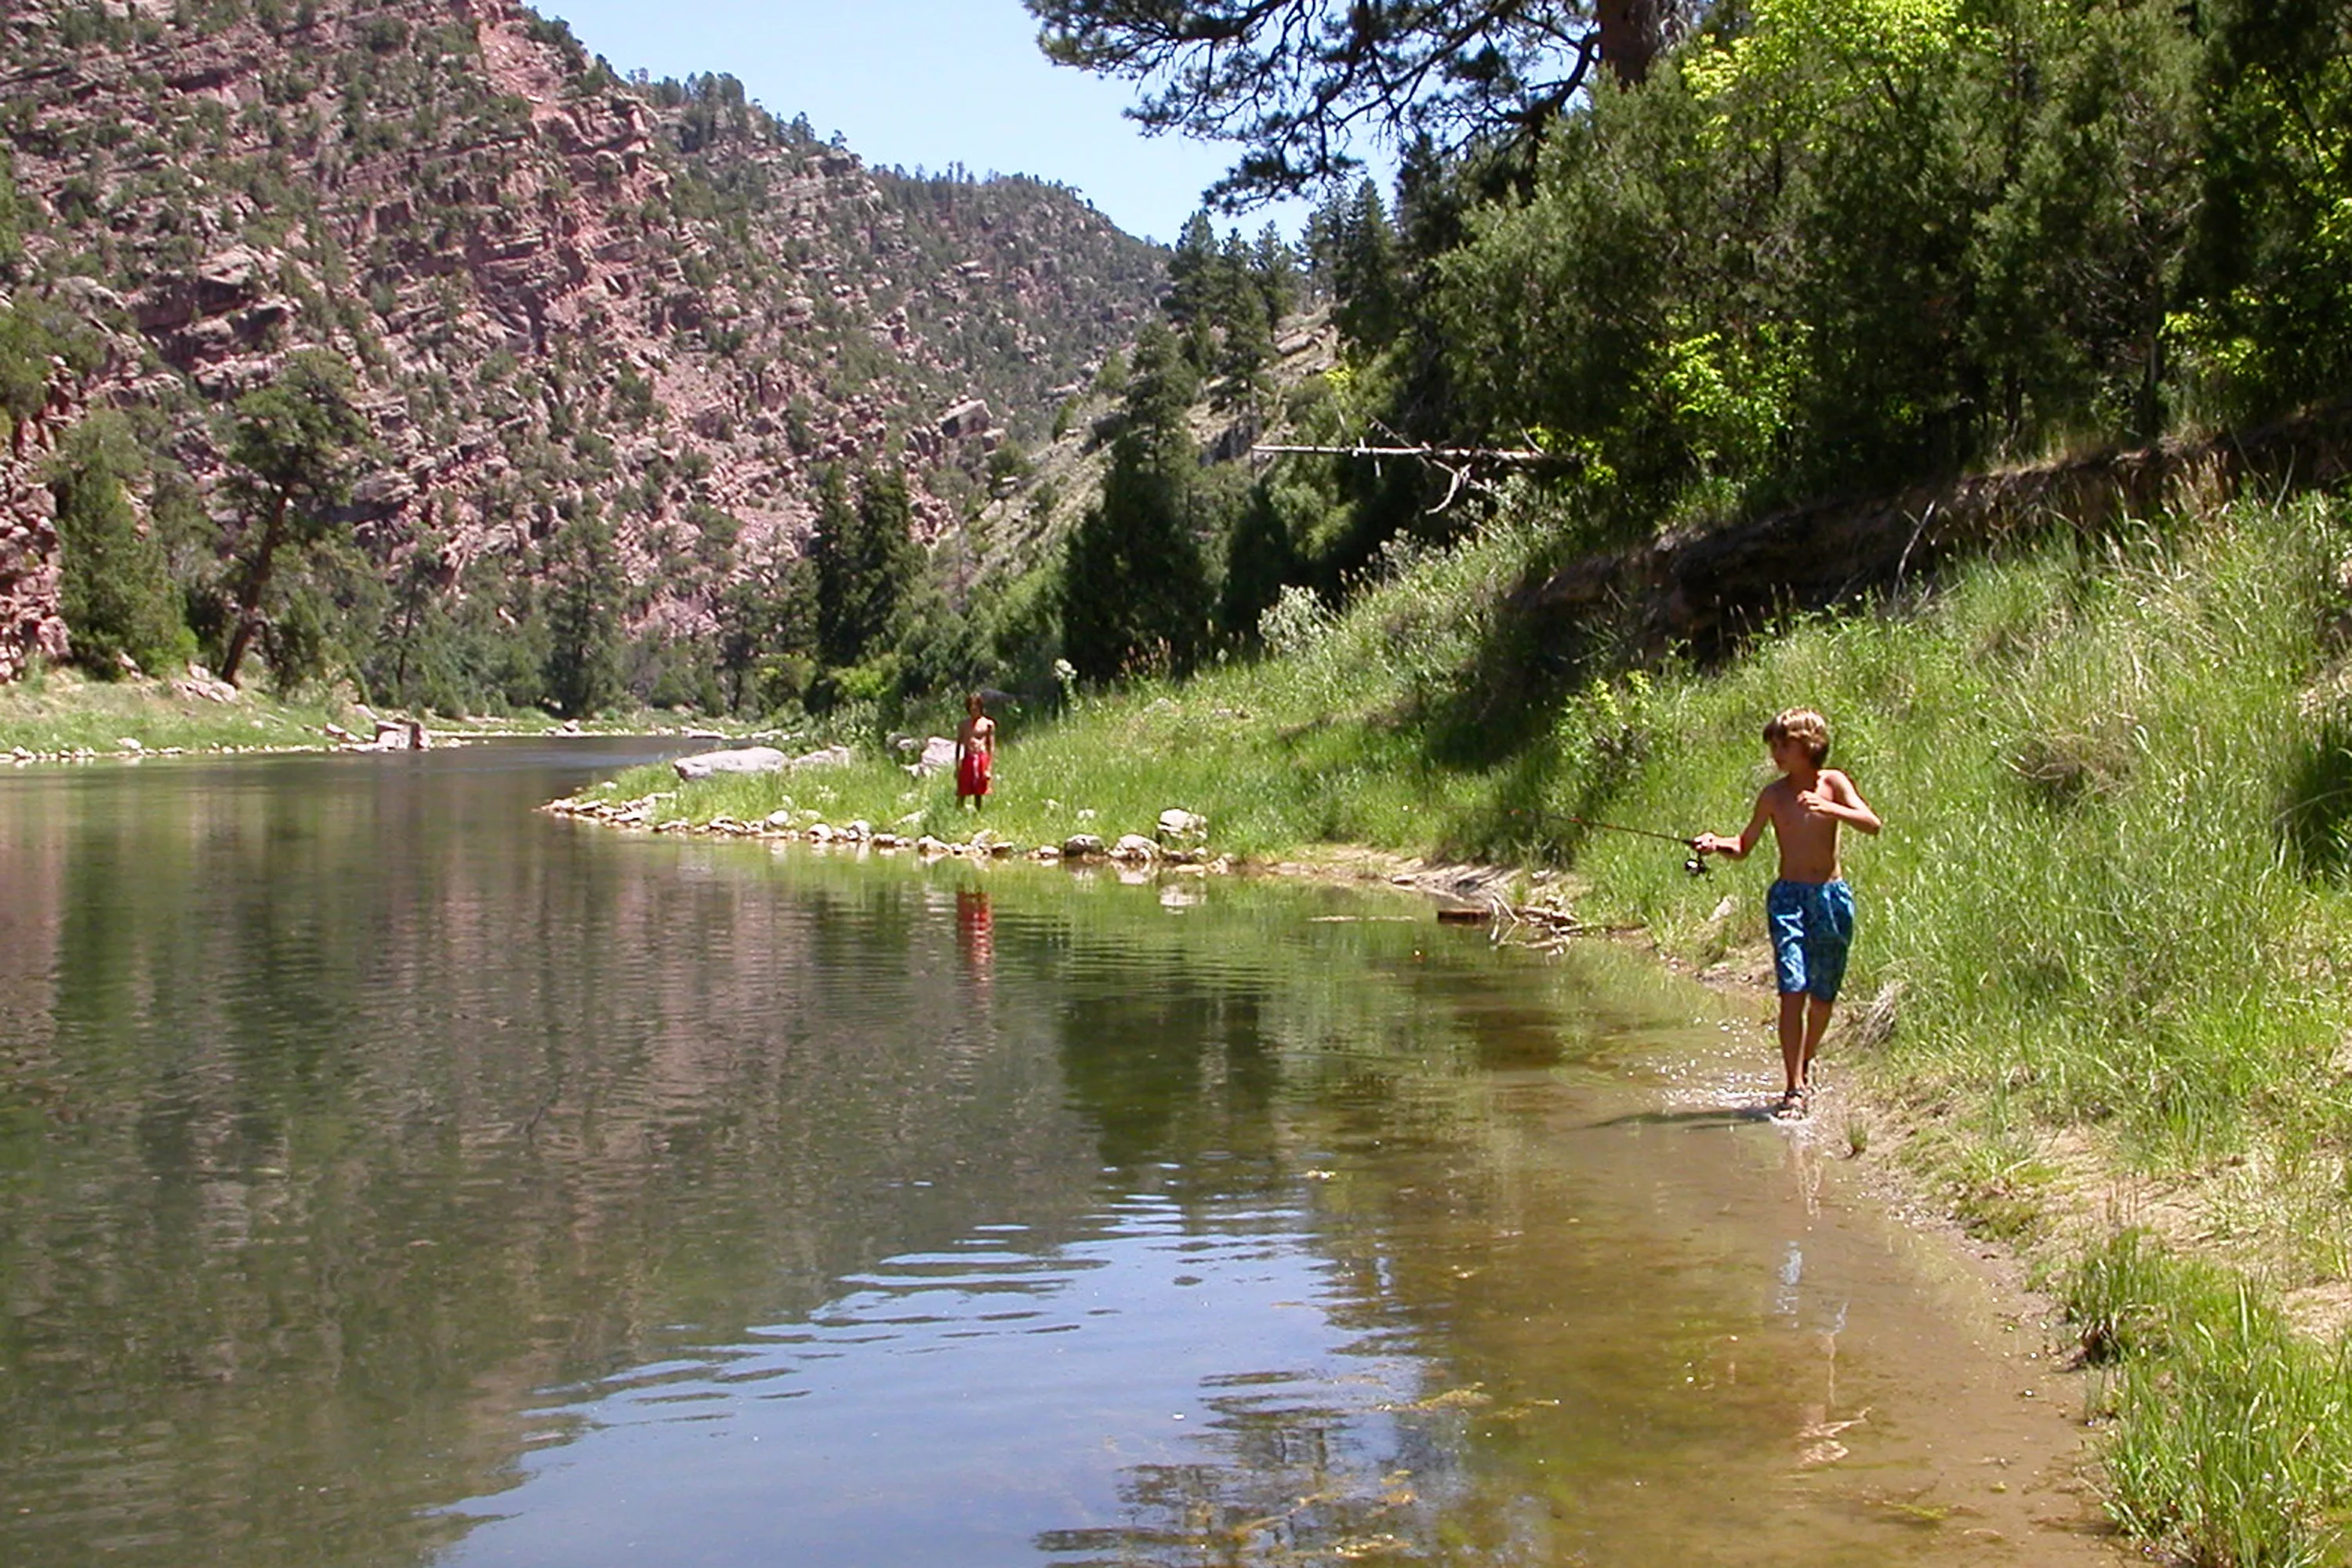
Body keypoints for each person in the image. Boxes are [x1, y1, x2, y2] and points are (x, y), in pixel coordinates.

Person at [1695, 708, 1882, 1120]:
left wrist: (1830, 809)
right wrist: (1715, 843)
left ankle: (1806, 1060)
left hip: (1831, 898)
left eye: (1783, 745)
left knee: (1823, 996)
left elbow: (1872, 824)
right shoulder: (1773, 796)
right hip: (1787, 900)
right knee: (1792, 990)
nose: (1776, 753)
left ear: (1808, 745)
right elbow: (1744, 847)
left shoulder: (1834, 782)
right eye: (1773, 746)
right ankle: (1793, 1087)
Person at [955, 691, 995, 809]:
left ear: (980, 707)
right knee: (962, 790)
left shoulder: (988, 724)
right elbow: (958, 745)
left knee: (979, 791)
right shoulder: (963, 724)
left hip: (981, 757)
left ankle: (978, 813)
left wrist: (989, 768)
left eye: (976, 705)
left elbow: (991, 747)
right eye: (971, 706)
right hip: (968, 758)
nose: (974, 708)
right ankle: (958, 813)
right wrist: (957, 766)